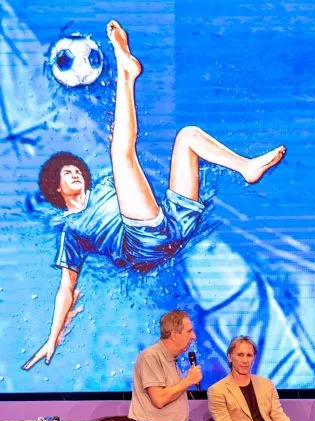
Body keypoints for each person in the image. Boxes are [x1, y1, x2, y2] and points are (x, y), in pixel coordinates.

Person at [22, 19, 286, 371]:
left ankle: (246, 168)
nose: (73, 172)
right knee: (121, 153)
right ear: (56, 190)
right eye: (65, 174)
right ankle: (126, 71)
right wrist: (53, 338)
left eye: (75, 169)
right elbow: (65, 289)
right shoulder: (72, 229)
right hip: (142, 244)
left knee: (188, 137)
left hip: (171, 224)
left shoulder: (104, 187)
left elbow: (127, 163)